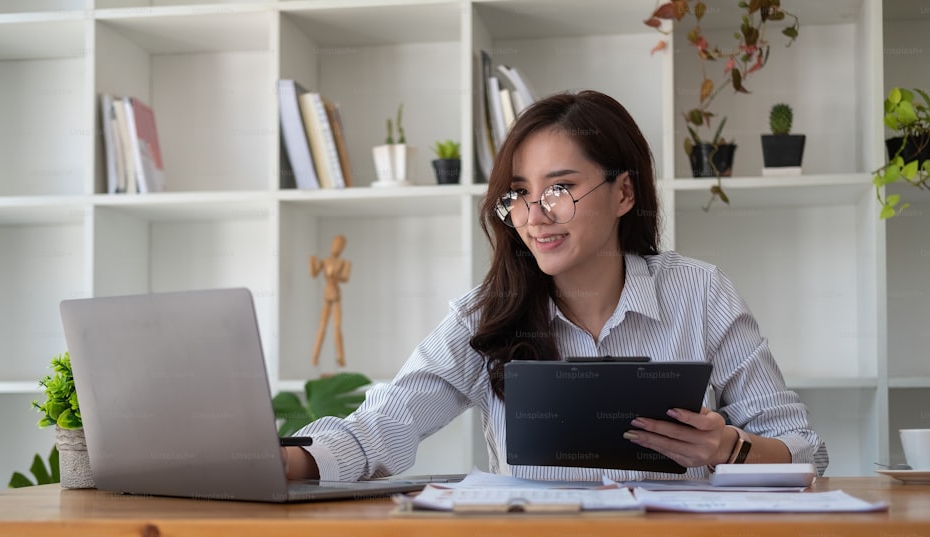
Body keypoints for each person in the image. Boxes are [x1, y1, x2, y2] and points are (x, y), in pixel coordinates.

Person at [282, 90, 828, 482]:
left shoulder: (701, 294)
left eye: (560, 188)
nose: (535, 215)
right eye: (520, 193)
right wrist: (283, 460)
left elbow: (805, 451)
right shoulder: (486, 315)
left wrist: (728, 447)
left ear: (624, 194)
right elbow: (384, 424)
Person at [310, 235, 351, 368]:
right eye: (335, 244)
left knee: (337, 326)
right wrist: (311, 262)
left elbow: (345, 278)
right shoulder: (325, 261)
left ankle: (340, 356)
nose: (336, 247)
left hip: (336, 294)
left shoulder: (345, 263)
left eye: (340, 245)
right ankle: (315, 356)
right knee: (322, 326)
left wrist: (334, 275)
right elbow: (314, 273)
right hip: (327, 294)